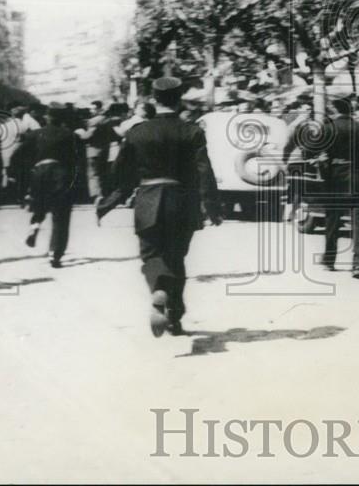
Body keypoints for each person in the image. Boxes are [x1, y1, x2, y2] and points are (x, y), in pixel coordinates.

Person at [97, 77, 223, 337]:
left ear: (154, 99)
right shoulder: (192, 131)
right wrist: (212, 206)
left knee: (152, 256)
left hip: (148, 200)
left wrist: (108, 203)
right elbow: (204, 172)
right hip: (182, 203)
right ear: (179, 100)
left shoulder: (137, 132)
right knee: (176, 258)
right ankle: (175, 318)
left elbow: (121, 175)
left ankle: (159, 289)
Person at [289, 94, 359, 277]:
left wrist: (316, 158)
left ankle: (329, 260)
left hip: (335, 175)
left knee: (332, 219)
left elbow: (308, 149)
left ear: (335, 109)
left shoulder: (328, 128)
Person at [20, 103, 82, 268]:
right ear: (63, 119)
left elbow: (20, 156)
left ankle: (35, 225)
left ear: (47, 117)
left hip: (39, 173)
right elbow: (78, 161)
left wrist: (23, 178)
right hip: (61, 174)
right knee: (60, 216)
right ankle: (55, 253)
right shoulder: (71, 136)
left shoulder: (34, 134)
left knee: (39, 205)